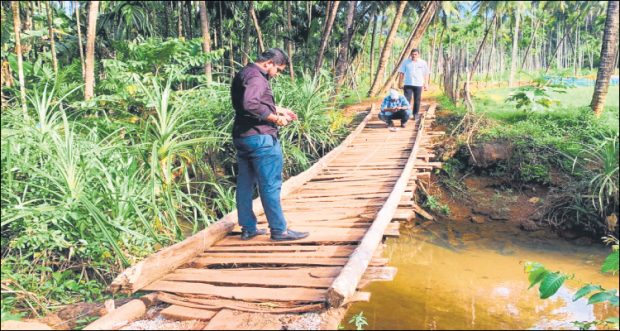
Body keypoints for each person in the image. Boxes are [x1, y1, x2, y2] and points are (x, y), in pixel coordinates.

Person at [231, 48, 309, 241]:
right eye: (278, 70)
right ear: (269, 64)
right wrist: (275, 118)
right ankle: (279, 230)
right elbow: (251, 103)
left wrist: (279, 110)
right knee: (270, 185)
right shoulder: (258, 78)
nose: (277, 74)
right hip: (261, 138)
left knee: (245, 184)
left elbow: (248, 103)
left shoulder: (244, 73)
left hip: (243, 136)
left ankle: (248, 228)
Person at [398, 49, 430, 120]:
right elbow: (401, 73)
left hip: (418, 84)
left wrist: (426, 84)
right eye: (412, 54)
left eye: (415, 54)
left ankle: (415, 114)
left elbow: (426, 74)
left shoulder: (423, 63)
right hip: (408, 84)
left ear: (418, 55)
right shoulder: (405, 62)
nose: (414, 56)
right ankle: (406, 115)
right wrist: (400, 83)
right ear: (410, 54)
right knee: (406, 100)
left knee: (417, 100)